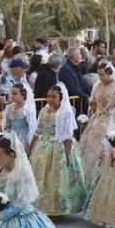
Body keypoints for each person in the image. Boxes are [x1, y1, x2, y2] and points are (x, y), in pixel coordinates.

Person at [28, 83, 86, 216]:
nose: (50, 99)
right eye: (48, 96)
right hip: (43, 148)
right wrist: (30, 147)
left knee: (58, 179)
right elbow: (38, 131)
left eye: (53, 97)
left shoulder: (65, 112)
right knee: (42, 178)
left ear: (61, 97)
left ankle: (58, 209)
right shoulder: (44, 110)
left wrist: (67, 156)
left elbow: (68, 136)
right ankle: (42, 205)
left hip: (59, 147)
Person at [77, 62, 115, 174]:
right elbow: (93, 103)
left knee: (105, 148)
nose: (100, 77)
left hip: (110, 120)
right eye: (99, 74)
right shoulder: (97, 85)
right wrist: (89, 116)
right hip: (96, 120)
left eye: (102, 74)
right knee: (89, 147)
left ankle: (103, 174)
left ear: (109, 73)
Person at [1, 83, 37, 147]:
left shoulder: (28, 109)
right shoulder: (9, 108)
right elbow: (7, 126)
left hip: (23, 139)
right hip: (11, 138)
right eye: (11, 93)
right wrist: (7, 136)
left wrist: (29, 144)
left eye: (15, 94)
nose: (12, 96)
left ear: (23, 95)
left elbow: (32, 128)